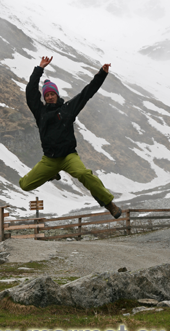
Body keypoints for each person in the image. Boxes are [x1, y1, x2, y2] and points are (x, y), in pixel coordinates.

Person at [19, 56, 122, 219]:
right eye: (47, 95)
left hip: (68, 156)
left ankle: (109, 203)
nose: (50, 97)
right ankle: (52, 173)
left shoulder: (68, 109)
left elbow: (87, 93)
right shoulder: (40, 112)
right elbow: (30, 92)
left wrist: (102, 74)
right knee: (24, 184)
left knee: (84, 174)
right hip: (49, 160)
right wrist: (39, 69)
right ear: (44, 97)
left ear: (57, 95)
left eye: (52, 94)